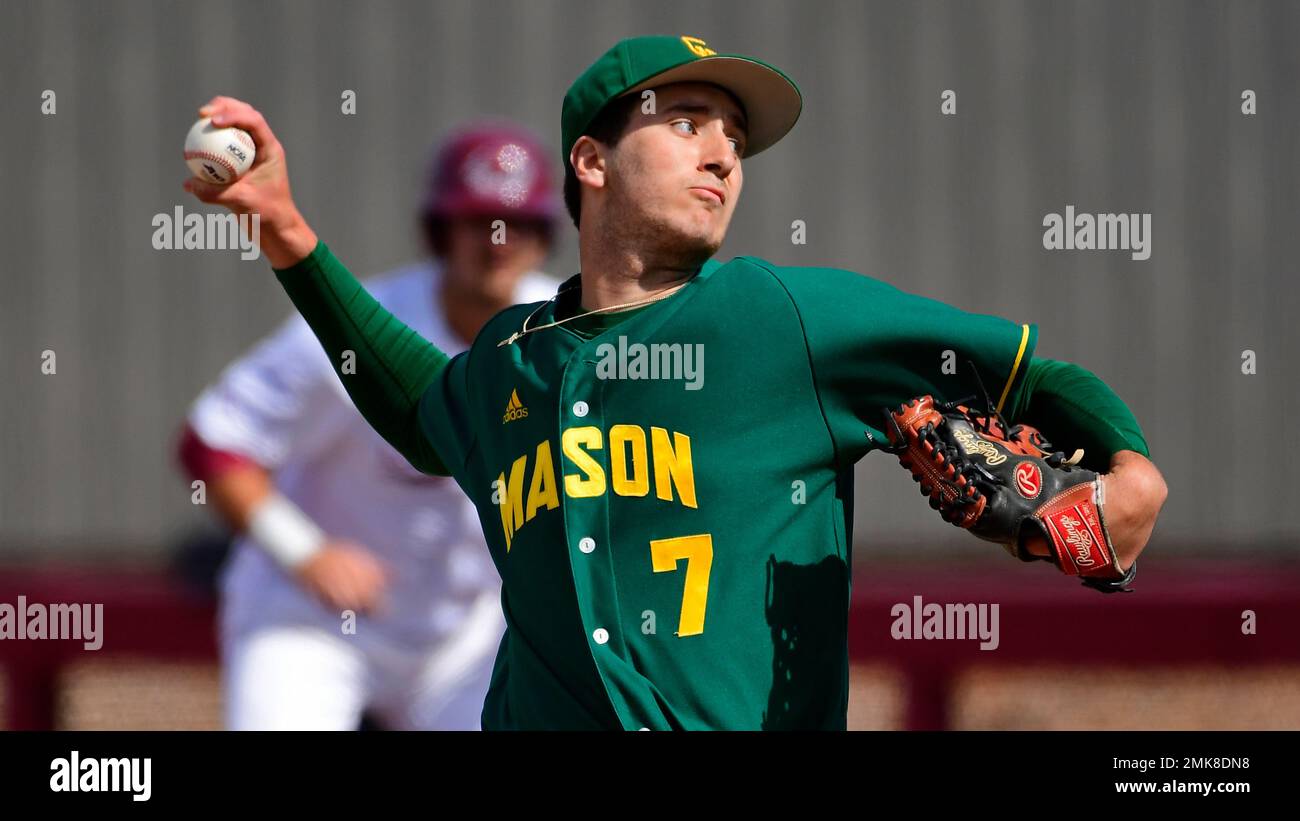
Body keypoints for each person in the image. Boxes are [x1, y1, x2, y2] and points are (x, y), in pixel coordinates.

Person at [182, 35, 1168, 730]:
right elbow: (420, 410)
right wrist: (286, 231)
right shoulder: (513, 355)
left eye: (734, 138)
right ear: (591, 160)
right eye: (689, 122)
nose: (723, 153)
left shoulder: (784, 317)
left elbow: (1031, 372)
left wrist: (1132, 473)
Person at [176, 124, 559, 730]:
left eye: (518, 224)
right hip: (311, 619)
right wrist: (304, 550)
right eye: (478, 221)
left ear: (545, 236)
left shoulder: (565, 335)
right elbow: (213, 441)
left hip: (465, 634)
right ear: (440, 230)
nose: (497, 241)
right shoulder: (367, 326)